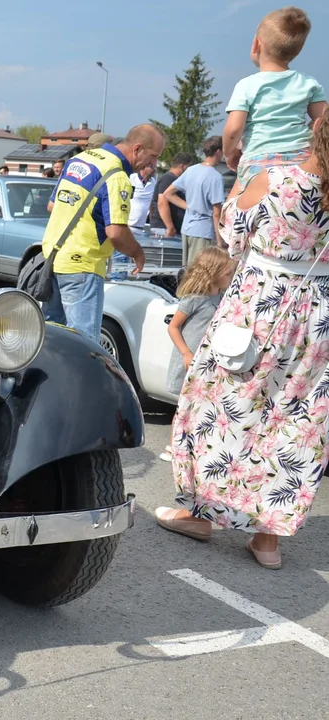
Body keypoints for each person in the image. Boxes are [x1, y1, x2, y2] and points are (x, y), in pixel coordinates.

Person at [154, 108, 329, 570]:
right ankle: (267, 539)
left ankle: (200, 512)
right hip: (317, 315)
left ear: (315, 130)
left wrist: (237, 184)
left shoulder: (275, 178)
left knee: (218, 401)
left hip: (262, 304)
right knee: (297, 416)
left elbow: (232, 237)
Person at [40, 124, 163, 341]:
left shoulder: (78, 160)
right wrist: (137, 252)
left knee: (50, 338)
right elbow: (116, 232)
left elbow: (52, 206)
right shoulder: (116, 175)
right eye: (153, 156)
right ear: (137, 149)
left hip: (52, 258)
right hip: (83, 265)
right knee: (84, 344)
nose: (153, 164)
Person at [223, 6, 327, 198]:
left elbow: (233, 130)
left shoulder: (247, 85)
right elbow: (324, 122)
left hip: (258, 162)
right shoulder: (308, 83)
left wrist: (229, 153)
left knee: (239, 216)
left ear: (256, 44)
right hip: (299, 162)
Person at [158, 247, 235, 462]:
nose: (231, 277)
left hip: (208, 361)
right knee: (186, 405)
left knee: (202, 404)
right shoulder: (195, 299)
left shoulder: (220, 298)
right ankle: (173, 446)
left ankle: (194, 445)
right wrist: (186, 353)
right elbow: (173, 327)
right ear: (213, 272)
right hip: (190, 360)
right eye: (228, 273)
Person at [164, 136, 226, 265]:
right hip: (203, 231)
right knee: (200, 273)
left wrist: (190, 206)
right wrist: (220, 241)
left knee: (187, 271)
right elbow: (216, 213)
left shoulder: (191, 170)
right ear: (218, 151)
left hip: (187, 228)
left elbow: (168, 193)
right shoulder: (216, 177)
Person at [150, 152, 195, 236]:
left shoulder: (175, 180)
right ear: (182, 166)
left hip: (169, 228)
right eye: (189, 167)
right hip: (164, 228)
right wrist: (170, 226)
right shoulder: (169, 179)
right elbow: (162, 202)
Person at [128, 162, 157, 228]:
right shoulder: (131, 178)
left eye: (155, 167)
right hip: (128, 223)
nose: (154, 169)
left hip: (142, 224)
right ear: (144, 166)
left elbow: (151, 204)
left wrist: (152, 223)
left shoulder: (153, 181)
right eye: (152, 167)